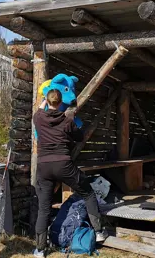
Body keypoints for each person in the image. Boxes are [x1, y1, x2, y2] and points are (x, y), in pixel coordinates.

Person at [32, 89, 107, 257]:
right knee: (88, 193)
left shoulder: (38, 117)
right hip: (63, 164)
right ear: (60, 103)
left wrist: (45, 100)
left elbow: (40, 107)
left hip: (43, 166)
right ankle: (99, 231)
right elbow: (79, 137)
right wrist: (71, 115)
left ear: (47, 101)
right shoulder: (67, 121)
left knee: (44, 208)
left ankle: (40, 249)